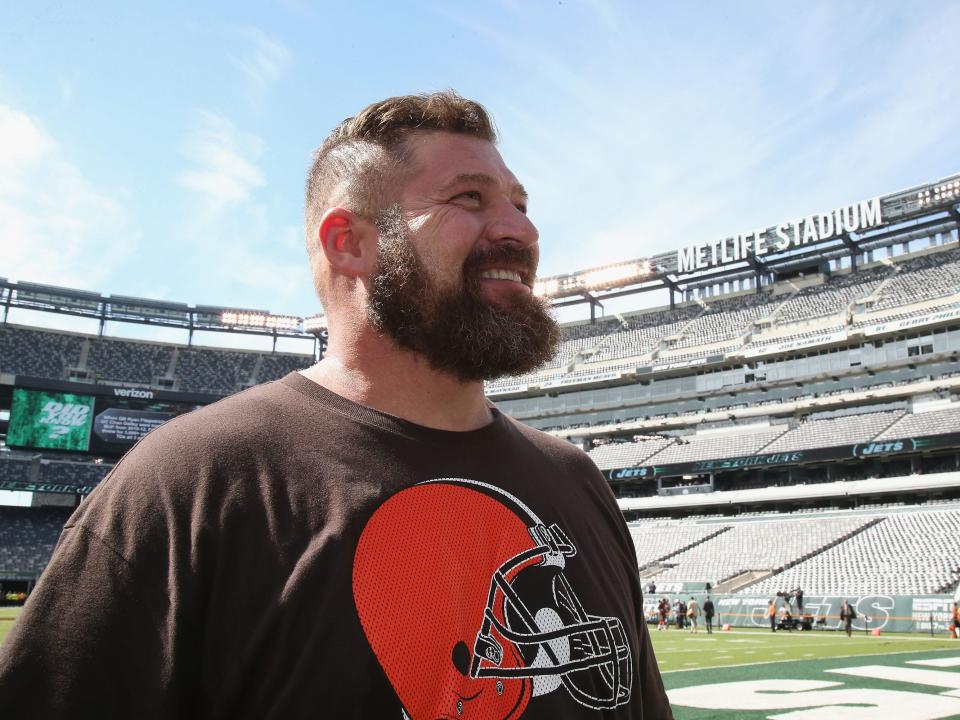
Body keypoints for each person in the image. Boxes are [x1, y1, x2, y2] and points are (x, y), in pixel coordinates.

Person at [0, 92, 673, 719]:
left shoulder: (576, 480)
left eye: (521, 205)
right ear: (349, 243)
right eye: (470, 198)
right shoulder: (190, 482)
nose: (519, 231)